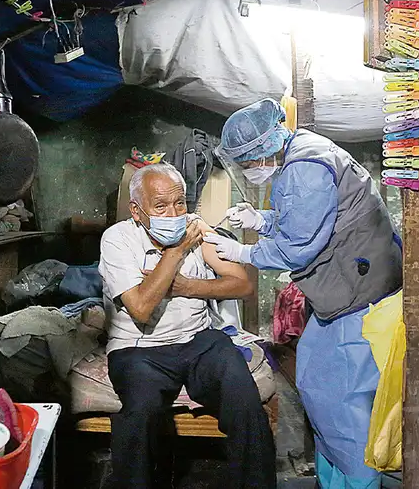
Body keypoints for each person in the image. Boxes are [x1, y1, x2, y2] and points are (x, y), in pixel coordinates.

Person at [204, 99, 403, 489]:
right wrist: (262, 220)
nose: (249, 168)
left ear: (264, 147)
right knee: (315, 382)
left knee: (343, 402)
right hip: (344, 295)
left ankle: (358, 481)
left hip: (358, 300)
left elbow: (299, 245)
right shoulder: (300, 154)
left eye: (248, 161)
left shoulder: (306, 167)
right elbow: (309, 216)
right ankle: (335, 479)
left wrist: (244, 252)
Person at [98, 163, 276, 489]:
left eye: (179, 202)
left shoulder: (195, 229)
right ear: (137, 211)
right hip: (139, 349)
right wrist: (177, 251)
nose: (174, 213)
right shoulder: (118, 239)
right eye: (160, 206)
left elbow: (242, 285)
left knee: (244, 402)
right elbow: (140, 308)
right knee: (141, 413)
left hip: (199, 341)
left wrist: (187, 287)